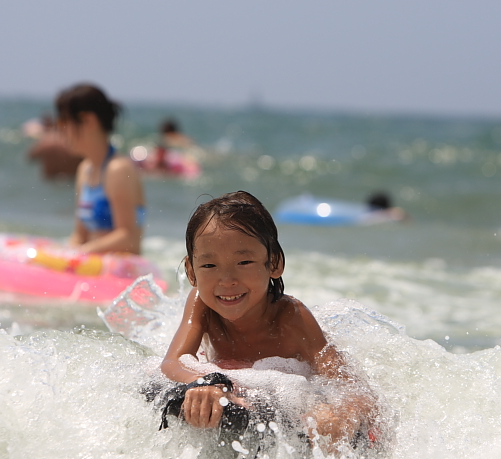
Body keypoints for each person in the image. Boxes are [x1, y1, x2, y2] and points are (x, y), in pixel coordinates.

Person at [160, 191, 378, 451]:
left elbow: (348, 382)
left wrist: (340, 412)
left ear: (274, 262)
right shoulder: (201, 304)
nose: (226, 280)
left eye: (244, 262)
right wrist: (205, 383)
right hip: (234, 381)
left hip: (290, 390)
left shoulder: (292, 318)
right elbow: (173, 362)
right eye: (209, 266)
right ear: (190, 271)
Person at [55, 83, 145, 255]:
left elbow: (128, 238)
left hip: (121, 272)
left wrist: (82, 252)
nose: (60, 130)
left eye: (63, 121)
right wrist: (60, 251)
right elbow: (80, 235)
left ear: (89, 121)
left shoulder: (119, 169)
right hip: (93, 264)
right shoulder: (85, 170)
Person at [27, 114, 83, 180]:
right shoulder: (76, 142)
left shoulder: (45, 142)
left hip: (50, 182)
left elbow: (30, 157)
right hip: (73, 179)